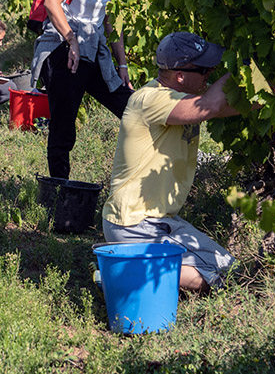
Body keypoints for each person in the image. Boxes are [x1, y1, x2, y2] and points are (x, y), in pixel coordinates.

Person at [101, 31, 241, 292]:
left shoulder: (183, 96)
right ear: (180, 76)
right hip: (133, 224)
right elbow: (210, 106)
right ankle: (121, 271)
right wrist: (240, 66)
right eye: (204, 70)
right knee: (214, 280)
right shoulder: (150, 99)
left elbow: (227, 104)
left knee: (229, 270)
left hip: (160, 221)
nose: (210, 73)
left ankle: (127, 268)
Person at [30, 0, 153, 179]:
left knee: (129, 107)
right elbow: (53, 1)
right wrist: (71, 40)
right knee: (63, 126)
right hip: (62, 47)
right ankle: (59, 190)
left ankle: (142, 175)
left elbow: (111, 22)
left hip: (93, 50)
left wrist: (121, 65)